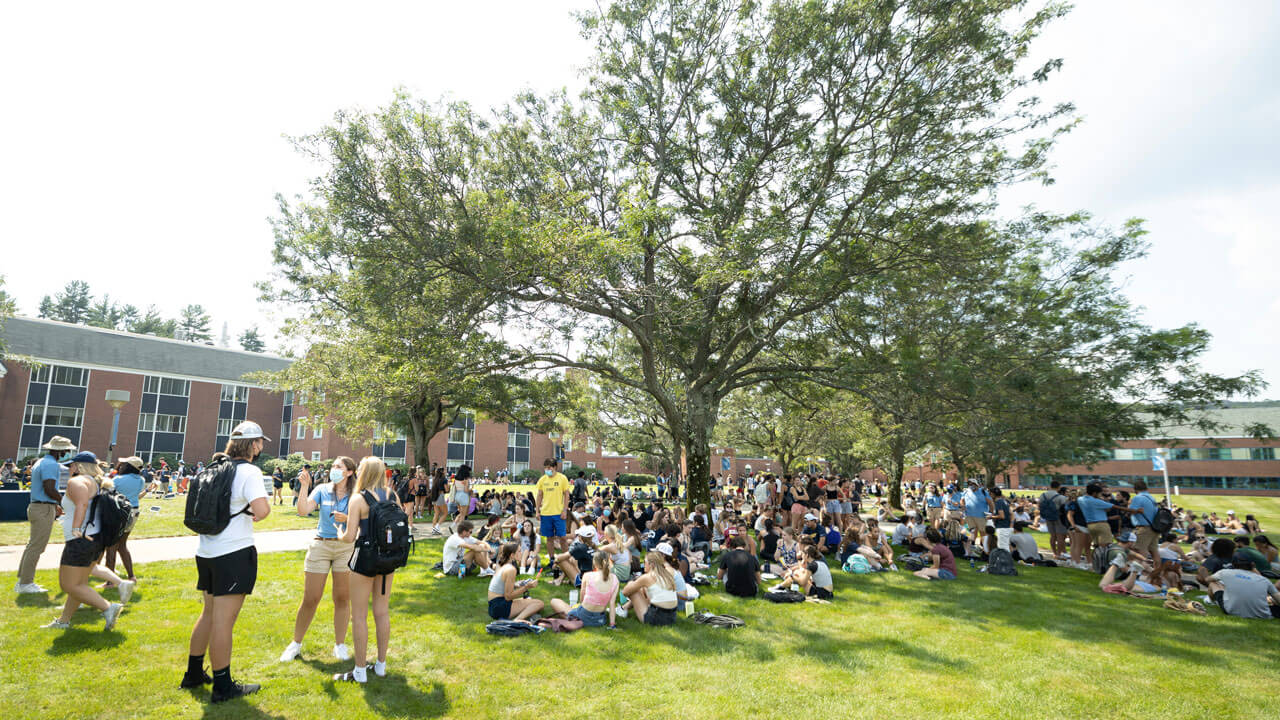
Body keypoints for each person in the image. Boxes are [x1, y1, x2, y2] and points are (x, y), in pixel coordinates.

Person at [182, 421, 271, 702]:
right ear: (253, 444)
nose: (261, 448)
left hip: (206, 550)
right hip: (233, 553)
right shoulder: (249, 471)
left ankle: (194, 673)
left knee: (208, 614)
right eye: (260, 443)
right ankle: (223, 685)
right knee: (223, 622)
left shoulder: (215, 467)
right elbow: (262, 510)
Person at [40, 451, 133, 631]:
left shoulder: (77, 481)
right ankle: (64, 621)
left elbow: (82, 504)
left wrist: (75, 528)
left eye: (72, 465)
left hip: (80, 540)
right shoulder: (97, 482)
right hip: (94, 538)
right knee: (79, 584)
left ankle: (108, 607)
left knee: (68, 584)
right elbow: (83, 506)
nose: (70, 468)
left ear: (79, 465)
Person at [279, 456, 357, 663]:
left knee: (342, 598)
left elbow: (364, 521)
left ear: (349, 472)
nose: (334, 469)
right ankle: (295, 644)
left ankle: (340, 645)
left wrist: (348, 519)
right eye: (333, 466)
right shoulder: (322, 489)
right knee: (311, 598)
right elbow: (303, 511)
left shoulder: (356, 494)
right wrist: (305, 486)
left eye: (338, 467)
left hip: (345, 547)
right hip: (321, 545)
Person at [333, 456, 399, 683]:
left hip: (364, 560)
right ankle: (380, 665)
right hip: (388, 559)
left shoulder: (358, 499)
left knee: (359, 615)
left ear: (364, 472)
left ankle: (360, 670)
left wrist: (340, 533)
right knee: (382, 612)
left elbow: (350, 536)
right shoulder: (393, 495)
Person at [16, 435, 76, 595]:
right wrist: (64, 502)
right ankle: (25, 583)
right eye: (66, 449)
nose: (68, 452)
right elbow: (49, 488)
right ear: (61, 450)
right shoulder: (50, 464)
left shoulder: (43, 462)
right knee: (37, 547)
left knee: (32, 546)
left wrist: (55, 504)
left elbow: (46, 489)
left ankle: (23, 580)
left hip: (41, 506)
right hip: (42, 508)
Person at [547, 550, 618, 628]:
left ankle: (575, 620)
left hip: (582, 615)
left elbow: (582, 599)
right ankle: (575, 619)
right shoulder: (615, 579)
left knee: (554, 601)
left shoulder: (588, 576)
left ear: (594, 563)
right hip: (600, 620)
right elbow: (612, 604)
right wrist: (612, 624)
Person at [103, 456, 146, 583]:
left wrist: (116, 469)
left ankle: (110, 581)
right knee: (122, 545)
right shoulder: (141, 480)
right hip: (134, 511)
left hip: (119, 512)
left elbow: (108, 491)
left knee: (111, 546)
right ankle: (131, 576)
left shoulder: (118, 479)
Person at [487, 543, 545, 622]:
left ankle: (528, 615)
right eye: (519, 551)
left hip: (493, 606)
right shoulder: (511, 569)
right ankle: (517, 620)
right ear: (512, 555)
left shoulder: (503, 565)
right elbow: (508, 596)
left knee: (528, 599)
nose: (521, 553)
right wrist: (526, 587)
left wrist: (516, 584)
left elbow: (502, 585)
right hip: (500, 608)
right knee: (539, 603)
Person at [1208, 558, 1280, 619]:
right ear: (1253, 566)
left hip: (1232, 610)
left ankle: (1212, 601)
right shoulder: (1264, 580)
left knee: (1213, 583)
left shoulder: (1225, 572)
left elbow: (1208, 579)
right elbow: (1278, 598)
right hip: (1262, 614)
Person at [622, 550, 679, 625]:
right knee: (641, 588)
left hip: (656, 618)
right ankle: (623, 608)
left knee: (632, 586)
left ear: (651, 564)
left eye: (645, 562)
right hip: (672, 618)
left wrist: (635, 583)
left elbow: (625, 592)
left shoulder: (647, 577)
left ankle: (622, 610)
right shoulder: (667, 575)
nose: (644, 564)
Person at [535, 458, 571, 568]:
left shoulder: (562, 478)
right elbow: (539, 495)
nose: (547, 470)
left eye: (549, 468)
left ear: (555, 467)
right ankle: (552, 560)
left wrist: (565, 510)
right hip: (545, 513)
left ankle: (567, 559)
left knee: (563, 538)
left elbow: (566, 495)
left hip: (559, 513)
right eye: (545, 468)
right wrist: (537, 511)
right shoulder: (542, 480)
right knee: (549, 538)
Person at [1127, 479, 1160, 561]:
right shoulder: (1151, 498)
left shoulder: (1137, 498)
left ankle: (1139, 572)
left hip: (1143, 528)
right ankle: (1157, 572)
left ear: (1135, 489)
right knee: (1154, 551)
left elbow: (1131, 511)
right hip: (1154, 527)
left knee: (1139, 551)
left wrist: (1128, 504)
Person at [962, 479, 994, 544]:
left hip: (981, 516)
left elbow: (990, 503)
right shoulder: (966, 492)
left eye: (972, 484)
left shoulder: (983, 492)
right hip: (969, 516)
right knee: (973, 532)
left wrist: (991, 513)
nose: (971, 486)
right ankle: (973, 547)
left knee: (983, 532)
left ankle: (984, 547)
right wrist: (963, 505)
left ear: (976, 484)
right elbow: (962, 500)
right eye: (969, 484)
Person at [428, 467, 448, 536]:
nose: (445, 472)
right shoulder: (444, 479)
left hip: (434, 497)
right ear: (442, 472)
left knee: (436, 513)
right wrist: (449, 487)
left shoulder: (435, 479)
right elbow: (447, 490)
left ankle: (434, 529)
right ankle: (436, 528)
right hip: (440, 496)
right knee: (445, 513)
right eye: (444, 470)